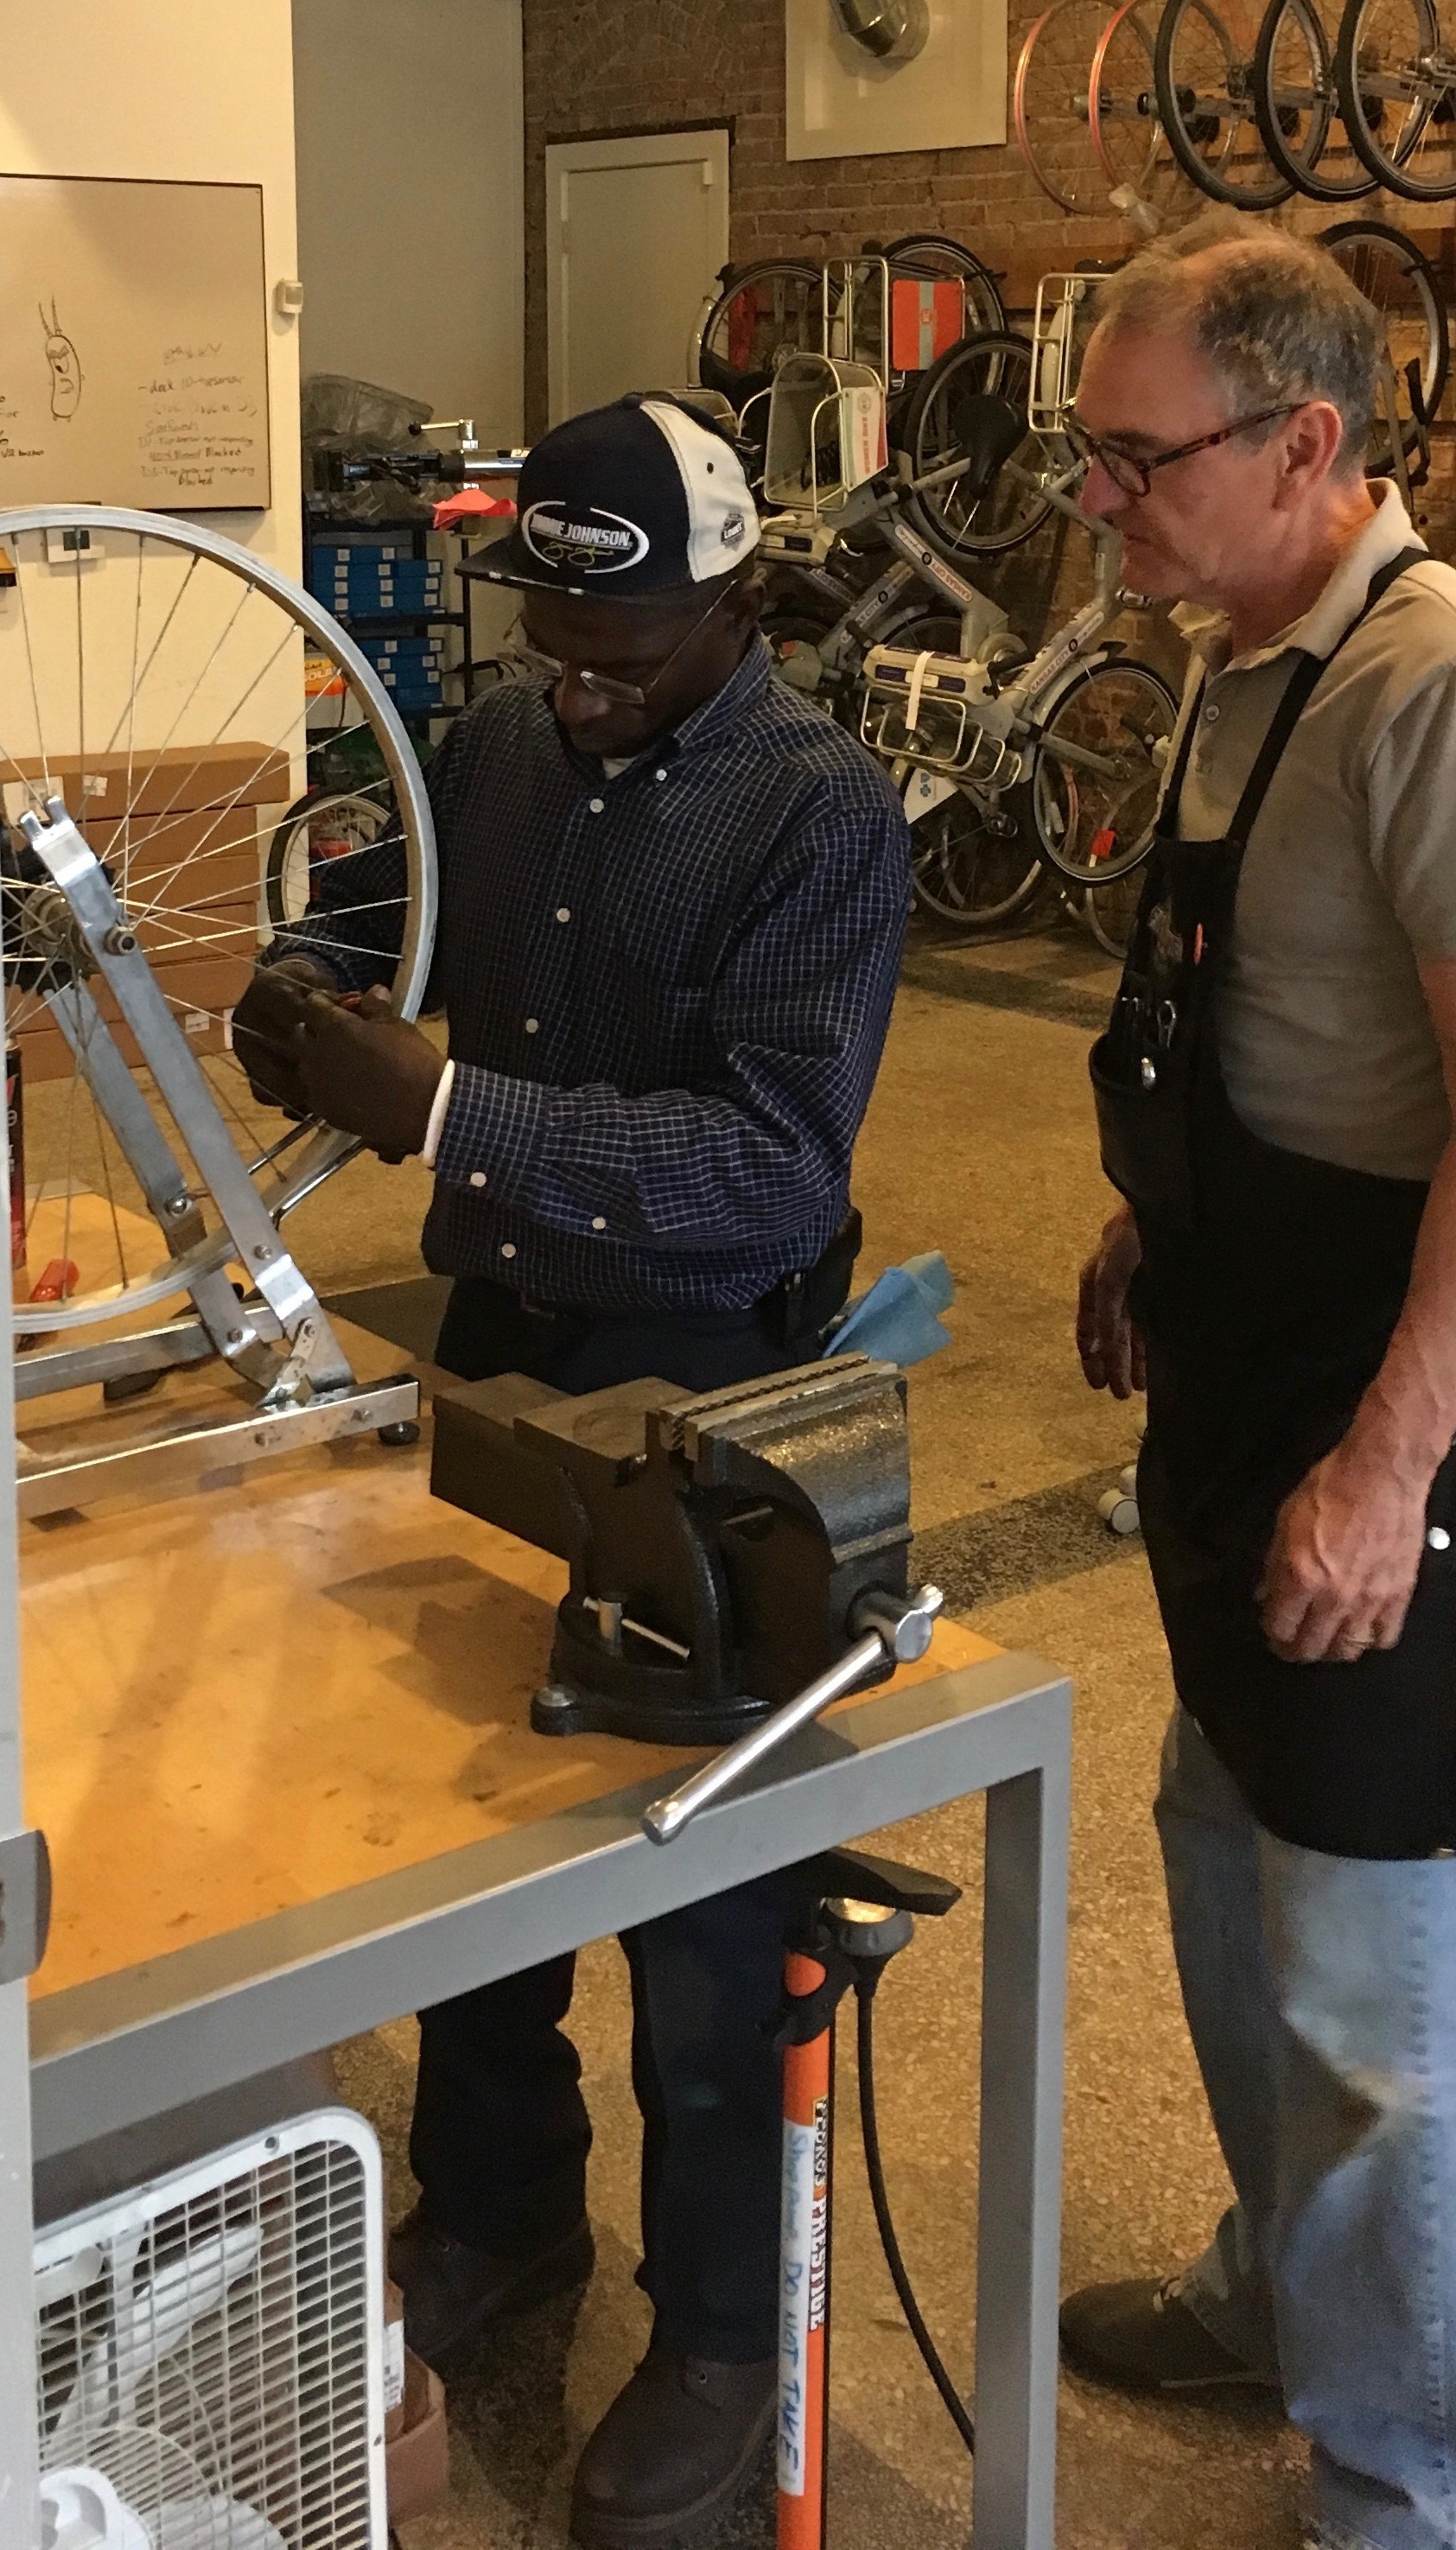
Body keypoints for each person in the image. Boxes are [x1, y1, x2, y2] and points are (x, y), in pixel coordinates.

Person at [232, 395, 909, 2550]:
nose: (579, 686)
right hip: (508, 1340)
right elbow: (390, 928)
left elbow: (771, 1168)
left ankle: (720, 2330)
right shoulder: (509, 745)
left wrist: (450, 1118)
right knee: (475, 1836)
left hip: (715, 1389)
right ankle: (502, 2205)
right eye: (551, 642)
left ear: (739, 603)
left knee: (706, 1895)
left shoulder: (821, 813)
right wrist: (307, 989)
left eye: (622, 652)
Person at [1061, 214, 1456, 2550]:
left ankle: (1418, 2492)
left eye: (1136, 458)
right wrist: (1149, 1222)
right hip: (1245, 1354)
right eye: (1090, 455)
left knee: (1383, 1975)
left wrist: (1388, 1471)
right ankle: (1290, 2295)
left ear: (1303, 443)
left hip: (1401, 1402)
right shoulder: (1241, 661)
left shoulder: (1445, 680)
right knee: (1225, 1859)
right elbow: (1260, 1008)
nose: (1100, 501)